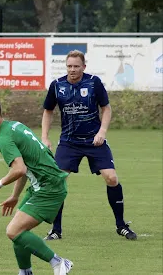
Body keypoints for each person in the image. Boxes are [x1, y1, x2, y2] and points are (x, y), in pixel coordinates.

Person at [42, 50, 137, 241]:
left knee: (111, 178)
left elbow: (106, 109)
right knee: (57, 180)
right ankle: (56, 230)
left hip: (94, 141)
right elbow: (48, 111)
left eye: (76, 66)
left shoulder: (94, 83)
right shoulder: (57, 85)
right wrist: (44, 137)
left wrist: (102, 132)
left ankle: (121, 225)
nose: (72, 70)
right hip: (69, 142)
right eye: (69, 66)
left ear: (84, 67)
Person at [0, 95, 73, 275]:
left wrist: (0, 183)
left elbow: (19, 169)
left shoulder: (4, 139)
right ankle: (25, 272)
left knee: (13, 231)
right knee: (19, 231)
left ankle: (59, 262)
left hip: (49, 187)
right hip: (43, 185)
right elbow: (26, 167)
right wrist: (15, 195)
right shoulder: (14, 126)